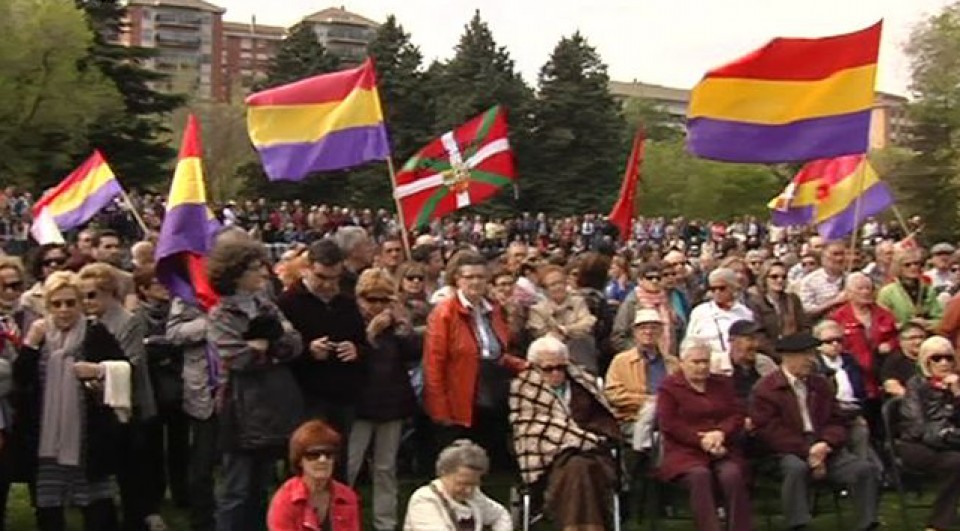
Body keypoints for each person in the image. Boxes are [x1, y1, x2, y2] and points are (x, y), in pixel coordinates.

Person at [14, 271, 129, 531]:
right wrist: (30, 345)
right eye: (57, 304)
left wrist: (99, 370)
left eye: (70, 303)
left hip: (88, 437)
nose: (64, 310)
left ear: (80, 303)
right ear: (48, 305)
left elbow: (125, 366)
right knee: (49, 508)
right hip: (47, 440)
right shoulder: (39, 334)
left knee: (97, 507)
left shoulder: (95, 332)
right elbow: (20, 379)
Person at [207, 238, 304, 531]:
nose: (262, 273)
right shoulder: (221, 315)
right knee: (236, 488)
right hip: (240, 407)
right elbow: (235, 358)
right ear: (234, 274)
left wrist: (267, 347)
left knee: (262, 485)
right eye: (253, 268)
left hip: (274, 403)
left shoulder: (267, 306)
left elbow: (295, 342)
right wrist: (269, 350)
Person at [751, 333, 881, 531]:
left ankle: (867, 524)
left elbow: (837, 420)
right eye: (805, 355)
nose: (811, 360)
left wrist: (825, 445)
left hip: (824, 446)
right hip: (786, 451)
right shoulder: (765, 389)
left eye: (812, 354)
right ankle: (798, 525)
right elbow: (770, 431)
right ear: (788, 357)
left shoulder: (820, 384)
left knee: (864, 470)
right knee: (796, 468)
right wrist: (808, 451)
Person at [423, 252, 526, 465]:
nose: (475, 282)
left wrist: (527, 365)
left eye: (480, 277)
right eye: (469, 277)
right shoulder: (444, 313)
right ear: (457, 280)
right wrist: (439, 408)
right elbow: (434, 363)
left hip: (492, 388)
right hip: (461, 392)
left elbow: (497, 352)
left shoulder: (494, 309)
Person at [77, 262, 159, 531]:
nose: (86, 302)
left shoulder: (128, 321)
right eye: (83, 296)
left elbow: (132, 363)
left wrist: (98, 374)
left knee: (132, 475)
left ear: (109, 292)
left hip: (130, 409)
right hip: (98, 411)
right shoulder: (86, 323)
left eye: (91, 295)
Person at [510, 336, 621, 530]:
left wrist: (583, 439)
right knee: (578, 467)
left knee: (582, 466)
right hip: (548, 459)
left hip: (592, 454)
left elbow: (604, 419)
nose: (556, 373)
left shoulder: (583, 384)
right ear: (534, 367)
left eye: (561, 367)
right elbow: (531, 427)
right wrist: (575, 439)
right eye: (548, 368)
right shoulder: (523, 388)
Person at [277, 239, 366, 481]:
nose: (328, 285)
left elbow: (364, 342)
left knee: (338, 459)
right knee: (306, 455)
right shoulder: (287, 303)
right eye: (321, 277)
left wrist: (356, 350)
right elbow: (277, 350)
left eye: (334, 278)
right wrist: (307, 350)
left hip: (342, 394)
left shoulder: (346, 302)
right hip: (303, 394)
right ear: (307, 268)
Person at [347, 269, 419, 531]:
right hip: (359, 404)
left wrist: (403, 325)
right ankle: (343, 520)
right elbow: (351, 357)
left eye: (383, 299)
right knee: (350, 465)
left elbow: (413, 353)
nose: (377, 305)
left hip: (391, 403)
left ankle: (385, 522)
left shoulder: (395, 326)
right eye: (371, 299)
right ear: (360, 298)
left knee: (386, 468)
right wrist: (369, 332)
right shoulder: (350, 321)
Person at [656, 339, 753, 531]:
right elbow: (670, 424)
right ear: (682, 363)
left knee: (732, 475)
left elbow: (736, 414)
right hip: (685, 452)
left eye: (705, 361)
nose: (702, 366)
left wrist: (720, 433)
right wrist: (702, 440)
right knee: (700, 476)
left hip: (723, 448)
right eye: (696, 362)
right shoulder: (669, 387)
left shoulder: (722, 384)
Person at [132, 266, 189, 515]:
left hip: (177, 386)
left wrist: (163, 347)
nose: (164, 288)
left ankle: (181, 491)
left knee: (180, 443)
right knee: (152, 446)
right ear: (143, 290)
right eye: (157, 284)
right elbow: (142, 350)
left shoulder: (178, 313)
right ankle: (154, 493)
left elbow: (181, 344)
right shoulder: (137, 317)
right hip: (151, 387)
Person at [165, 294, 217, 531]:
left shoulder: (252, 292)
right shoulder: (186, 295)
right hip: (204, 391)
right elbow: (174, 333)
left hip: (242, 389)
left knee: (241, 465)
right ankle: (203, 521)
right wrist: (210, 322)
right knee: (202, 463)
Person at [898, 336, 960, 531]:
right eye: (937, 358)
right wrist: (947, 434)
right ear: (926, 361)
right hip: (916, 445)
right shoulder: (915, 385)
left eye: (948, 358)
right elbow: (917, 427)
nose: (944, 363)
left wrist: (957, 395)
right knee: (956, 462)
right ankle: (938, 523)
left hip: (950, 442)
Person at [830, 272, 898, 433]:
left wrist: (890, 344)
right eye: (860, 289)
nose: (866, 292)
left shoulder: (884, 314)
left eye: (869, 288)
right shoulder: (838, 317)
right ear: (849, 292)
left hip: (882, 374)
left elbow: (897, 338)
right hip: (855, 376)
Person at [604, 309, 680, 450]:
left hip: (667, 417)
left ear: (661, 331)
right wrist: (647, 400)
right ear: (635, 332)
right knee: (654, 417)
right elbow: (613, 394)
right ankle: (641, 455)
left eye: (653, 327)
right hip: (632, 418)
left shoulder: (672, 363)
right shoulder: (621, 361)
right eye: (643, 328)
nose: (648, 332)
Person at [268, 420, 361, 531]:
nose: (322, 460)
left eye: (328, 454)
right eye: (313, 455)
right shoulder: (285, 500)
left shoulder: (347, 496)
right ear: (299, 461)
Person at [403, 439, 511, 530]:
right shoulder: (424, 500)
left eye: (474, 484)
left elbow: (500, 515)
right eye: (462, 484)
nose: (468, 490)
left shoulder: (474, 496)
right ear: (444, 473)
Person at [526, 264, 598, 373]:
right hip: (551, 359)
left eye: (561, 282)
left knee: (583, 341)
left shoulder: (578, 301)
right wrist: (574, 329)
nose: (558, 287)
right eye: (553, 284)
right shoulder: (537, 310)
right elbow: (543, 336)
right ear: (544, 289)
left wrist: (565, 330)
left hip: (581, 352)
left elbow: (588, 323)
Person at [684, 267, 755, 375]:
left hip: (739, 369)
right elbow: (689, 343)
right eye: (713, 289)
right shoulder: (700, 312)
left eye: (722, 288)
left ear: (733, 288)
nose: (717, 292)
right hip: (709, 368)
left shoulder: (745, 313)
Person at [612, 263, 678, 356]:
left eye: (658, 278)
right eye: (649, 278)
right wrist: (640, 352)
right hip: (640, 359)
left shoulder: (666, 300)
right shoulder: (631, 302)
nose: (654, 281)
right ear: (640, 280)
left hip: (666, 359)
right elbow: (618, 336)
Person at [747, 260, 809, 355]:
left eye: (783, 277)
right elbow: (759, 335)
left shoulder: (793, 299)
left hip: (795, 350)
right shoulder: (756, 303)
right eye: (774, 277)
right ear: (764, 278)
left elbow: (804, 327)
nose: (780, 280)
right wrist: (777, 354)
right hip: (769, 353)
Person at [878, 246, 944, 330]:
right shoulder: (887, 292)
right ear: (899, 268)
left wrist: (927, 323)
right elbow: (882, 323)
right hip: (900, 336)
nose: (913, 267)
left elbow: (939, 319)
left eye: (916, 263)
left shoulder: (928, 289)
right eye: (907, 265)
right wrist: (907, 324)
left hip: (925, 334)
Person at [726, 320, 778, 400]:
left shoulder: (765, 363)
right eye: (750, 339)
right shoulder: (716, 366)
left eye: (757, 339)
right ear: (733, 341)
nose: (756, 344)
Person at [799, 240, 848, 320]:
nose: (840, 258)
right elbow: (807, 312)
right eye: (835, 254)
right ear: (823, 257)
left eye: (842, 254)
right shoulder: (809, 281)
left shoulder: (851, 279)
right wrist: (834, 301)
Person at [880, 322, 927, 397]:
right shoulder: (894, 361)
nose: (918, 342)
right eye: (912, 338)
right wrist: (913, 398)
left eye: (921, 337)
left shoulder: (931, 358)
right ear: (901, 341)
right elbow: (891, 386)